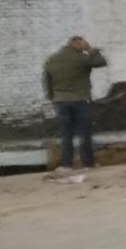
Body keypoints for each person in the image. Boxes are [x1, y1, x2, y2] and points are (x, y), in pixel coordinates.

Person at [43, 36, 107, 172]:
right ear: (77, 44)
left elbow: (47, 81)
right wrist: (90, 49)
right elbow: (101, 62)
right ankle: (88, 164)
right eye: (82, 43)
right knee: (84, 133)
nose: (84, 46)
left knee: (66, 134)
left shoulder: (52, 59)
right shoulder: (82, 58)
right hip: (80, 100)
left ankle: (66, 165)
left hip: (60, 101)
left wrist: (52, 97)